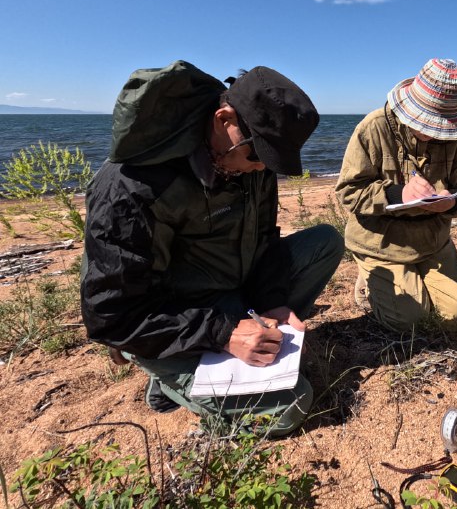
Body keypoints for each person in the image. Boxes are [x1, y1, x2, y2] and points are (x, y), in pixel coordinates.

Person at [81, 60, 344, 436]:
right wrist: (223, 333)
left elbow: (265, 240)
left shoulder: (252, 162)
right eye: (257, 156)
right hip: (167, 315)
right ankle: (161, 369)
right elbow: (111, 314)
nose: (261, 169)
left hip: (228, 292)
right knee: (290, 407)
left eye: (270, 160)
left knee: (325, 242)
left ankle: (202, 364)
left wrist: (273, 302)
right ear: (224, 120)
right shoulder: (130, 185)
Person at [335, 58, 457, 332]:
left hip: (432, 241)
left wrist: (452, 203)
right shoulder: (374, 127)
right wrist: (398, 194)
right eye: (425, 124)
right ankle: (368, 282)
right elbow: (348, 192)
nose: (431, 133)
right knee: (408, 320)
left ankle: (414, 278)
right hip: (381, 243)